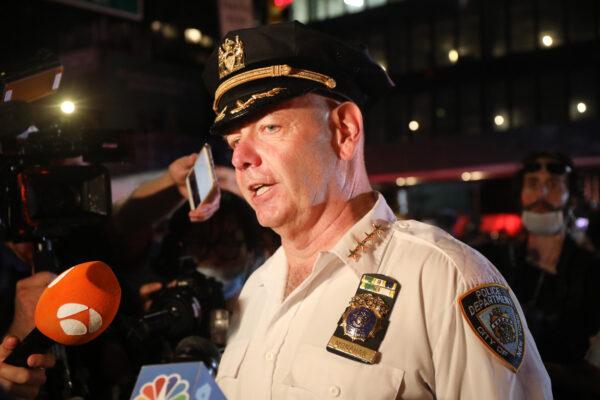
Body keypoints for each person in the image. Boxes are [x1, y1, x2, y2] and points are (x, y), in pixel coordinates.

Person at [201, 21, 552, 399]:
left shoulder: (444, 279)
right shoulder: (255, 290)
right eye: (234, 140)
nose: (241, 158)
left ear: (345, 131)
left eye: (269, 127)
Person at [479, 151, 600, 398]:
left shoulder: (591, 269)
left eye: (553, 185)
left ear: (571, 196)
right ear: (520, 194)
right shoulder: (499, 261)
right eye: (533, 184)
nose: (542, 195)